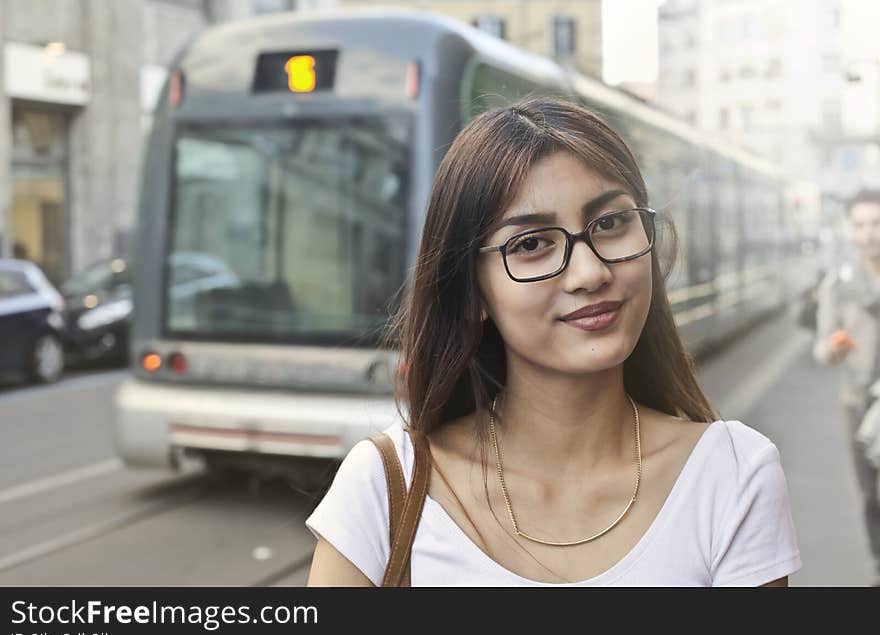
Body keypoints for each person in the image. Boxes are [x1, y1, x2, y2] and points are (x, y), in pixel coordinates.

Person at [305, 97, 802, 586]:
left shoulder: (733, 476)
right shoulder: (385, 489)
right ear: (472, 292)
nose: (590, 273)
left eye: (610, 223)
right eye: (531, 244)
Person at [812, 188, 880, 585]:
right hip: (858, 401)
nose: (869, 233)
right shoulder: (840, 281)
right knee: (872, 493)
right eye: (861, 225)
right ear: (850, 230)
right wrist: (832, 351)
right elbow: (822, 345)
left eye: (875, 223)